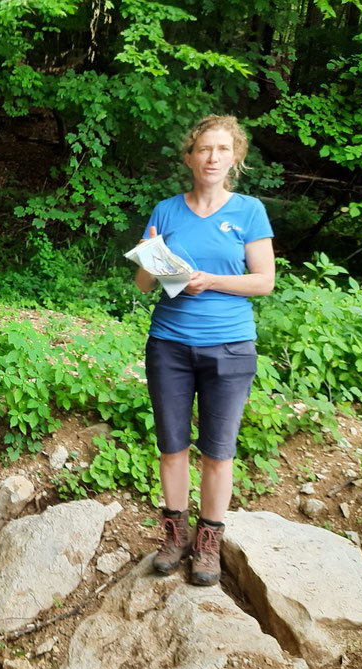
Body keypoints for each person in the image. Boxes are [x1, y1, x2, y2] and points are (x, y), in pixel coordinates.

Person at [134, 115, 275, 586]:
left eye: (222, 149)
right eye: (204, 149)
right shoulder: (167, 210)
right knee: (172, 447)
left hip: (231, 348)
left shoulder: (250, 211)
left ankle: (208, 542)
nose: (212, 157)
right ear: (190, 156)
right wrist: (150, 255)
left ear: (235, 156)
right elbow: (142, 283)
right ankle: (174, 536)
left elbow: (263, 281)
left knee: (218, 452)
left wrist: (211, 280)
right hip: (169, 345)